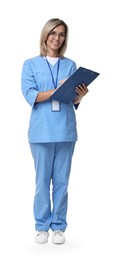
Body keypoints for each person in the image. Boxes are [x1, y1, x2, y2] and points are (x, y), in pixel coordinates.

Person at [21, 18, 88, 244]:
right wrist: (55, 90)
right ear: (45, 35)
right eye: (53, 33)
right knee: (42, 182)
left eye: (61, 34)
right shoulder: (30, 64)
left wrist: (79, 95)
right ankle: (41, 227)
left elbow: (72, 99)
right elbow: (31, 94)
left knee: (61, 182)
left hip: (66, 130)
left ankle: (58, 227)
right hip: (41, 132)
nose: (57, 38)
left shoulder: (70, 65)